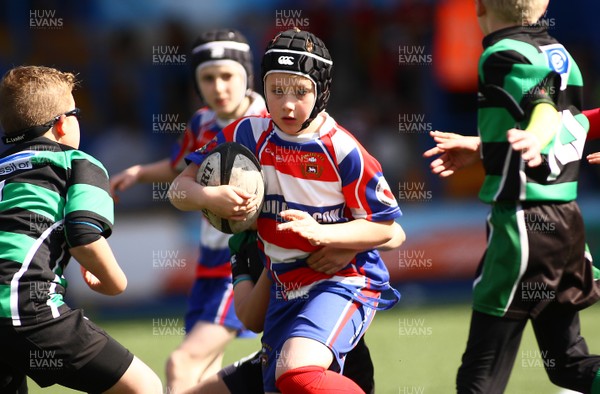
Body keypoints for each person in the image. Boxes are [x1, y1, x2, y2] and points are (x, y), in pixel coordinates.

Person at [169, 28, 404, 393]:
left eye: (301, 91)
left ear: (321, 92)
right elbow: (178, 190)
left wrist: (324, 234)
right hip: (282, 286)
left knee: (296, 373)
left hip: (342, 281)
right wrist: (208, 198)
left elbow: (386, 229)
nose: (287, 104)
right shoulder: (247, 133)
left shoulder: (342, 149)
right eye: (276, 91)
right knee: (285, 383)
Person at [424, 1, 600, 392]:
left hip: (523, 225)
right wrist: (483, 147)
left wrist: (534, 137)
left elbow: (543, 109)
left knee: (479, 378)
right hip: (565, 221)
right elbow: (568, 116)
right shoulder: (559, 52)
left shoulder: (501, 53)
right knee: (569, 365)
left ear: (479, 7)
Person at [110, 29, 268, 393]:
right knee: (203, 375)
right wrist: (138, 174)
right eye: (208, 78)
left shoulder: (268, 122)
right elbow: (181, 166)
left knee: (181, 365)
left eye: (227, 75)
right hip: (210, 259)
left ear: (246, 76)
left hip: (248, 258)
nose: (219, 86)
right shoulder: (202, 123)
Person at [0, 65, 162, 393]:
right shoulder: (77, 163)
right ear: (62, 123)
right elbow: (84, 237)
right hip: (24, 307)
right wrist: (116, 283)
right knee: (145, 387)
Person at [182, 225, 405, 394]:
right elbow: (251, 320)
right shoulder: (240, 243)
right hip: (274, 356)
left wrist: (348, 246)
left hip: (336, 364)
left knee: (296, 371)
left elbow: (392, 231)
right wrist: (277, 262)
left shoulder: (298, 208)